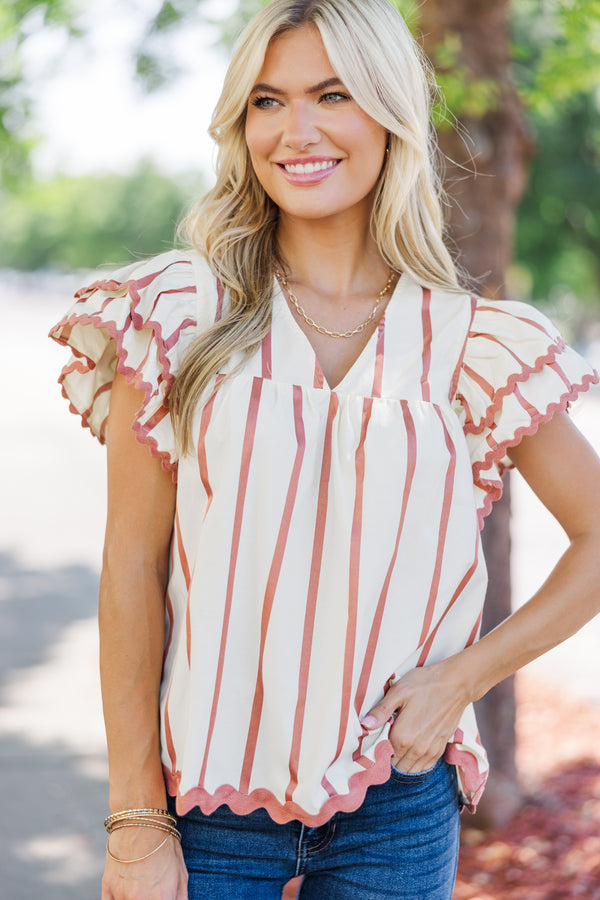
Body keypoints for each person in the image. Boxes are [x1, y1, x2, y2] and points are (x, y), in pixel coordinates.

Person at [50, 0, 600, 897]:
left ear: (388, 112)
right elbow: (130, 571)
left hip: (397, 806)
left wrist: (466, 677)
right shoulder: (182, 314)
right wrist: (135, 818)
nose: (294, 130)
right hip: (200, 812)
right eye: (266, 101)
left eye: (331, 94)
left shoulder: (473, 343)